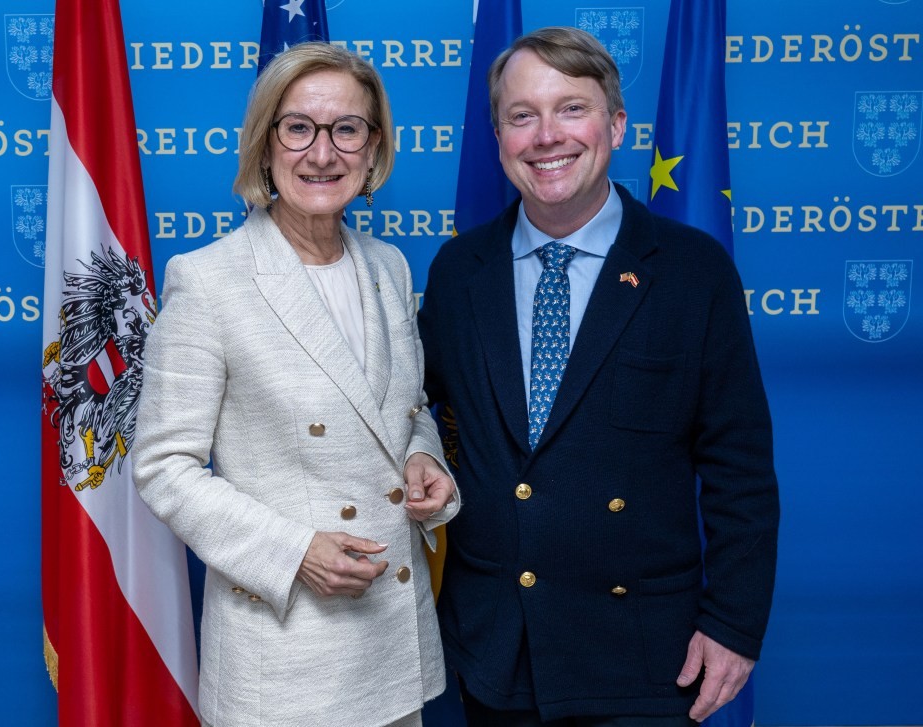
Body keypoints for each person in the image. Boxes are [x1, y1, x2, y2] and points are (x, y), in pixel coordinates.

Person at [418, 26, 780, 726]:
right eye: (522, 116)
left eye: (571, 109)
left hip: (644, 655)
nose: (547, 135)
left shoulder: (691, 270)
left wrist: (734, 622)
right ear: (498, 137)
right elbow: (415, 411)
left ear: (616, 124)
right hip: (495, 650)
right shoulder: (459, 273)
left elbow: (740, 467)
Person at [133, 42, 459, 727]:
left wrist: (422, 454)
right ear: (266, 144)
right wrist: (294, 550)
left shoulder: (389, 266)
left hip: (394, 647)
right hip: (286, 665)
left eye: (347, 128)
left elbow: (402, 410)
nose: (322, 153)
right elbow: (164, 465)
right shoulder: (210, 280)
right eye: (299, 127)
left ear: (374, 149)